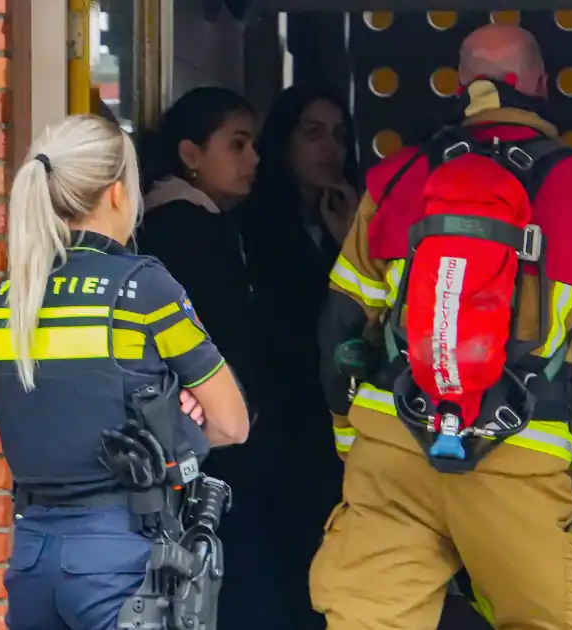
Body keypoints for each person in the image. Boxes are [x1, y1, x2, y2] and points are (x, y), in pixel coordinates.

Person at [310, 24, 572, 630]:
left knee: (368, 621)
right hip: (522, 457)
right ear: (542, 87)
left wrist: (351, 443)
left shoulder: (397, 180)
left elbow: (340, 330)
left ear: (462, 87)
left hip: (393, 450)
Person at [0, 114, 250, 630]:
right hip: (120, 560)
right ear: (116, 193)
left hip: (31, 556)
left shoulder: (8, 299)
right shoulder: (142, 289)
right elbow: (233, 423)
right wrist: (175, 418)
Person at [134, 87, 291, 630]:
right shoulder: (185, 227)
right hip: (215, 447)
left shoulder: (204, 220)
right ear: (190, 154)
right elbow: (221, 341)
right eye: (238, 145)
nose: (254, 159)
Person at [235, 84, 359, 630]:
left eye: (338, 135)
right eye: (313, 132)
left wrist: (353, 239)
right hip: (281, 424)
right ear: (281, 143)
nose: (329, 147)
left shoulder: (343, 218)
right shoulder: (253, 223)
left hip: (337, 424)